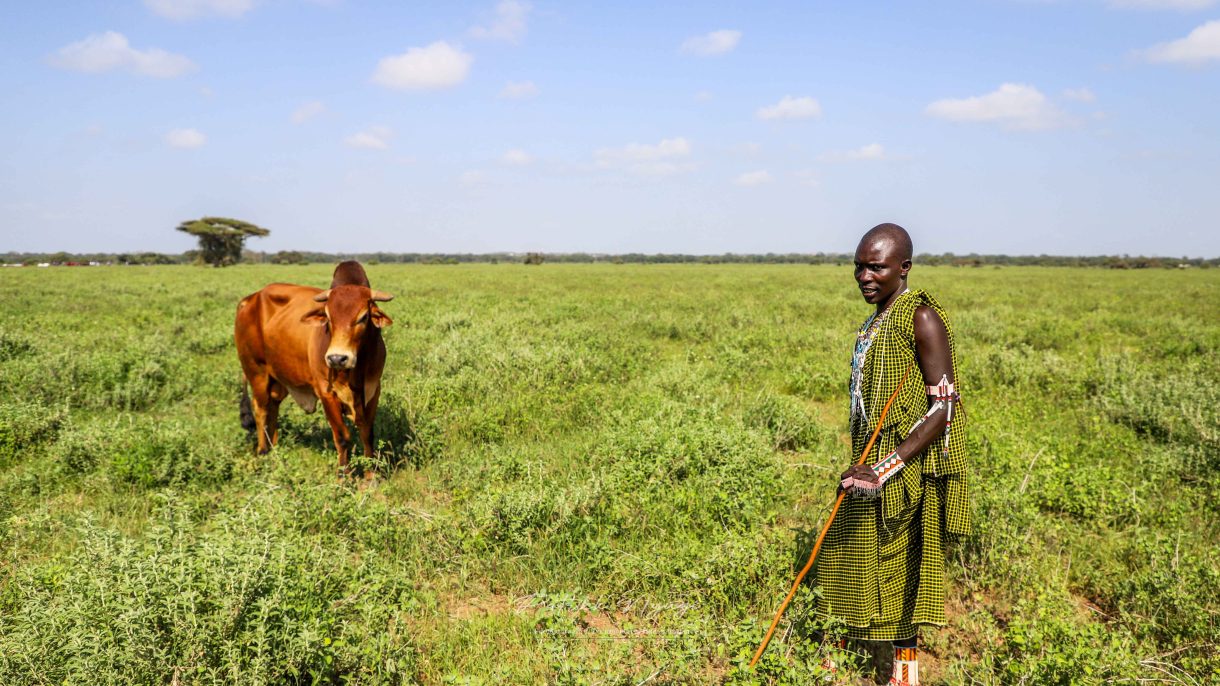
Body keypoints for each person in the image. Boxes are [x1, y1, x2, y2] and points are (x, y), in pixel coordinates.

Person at [814, 223, 970, 686]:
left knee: (904, 568)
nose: (865, 275)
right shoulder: (876, 319)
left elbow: (943, 407)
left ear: (903, 267)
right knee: (848, 554)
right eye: (859, 266)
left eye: (876, 267)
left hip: (906, 467)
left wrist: (885, 468)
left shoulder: (921, 317)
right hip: (867, 462)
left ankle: (904, 674)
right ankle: (836, 658)